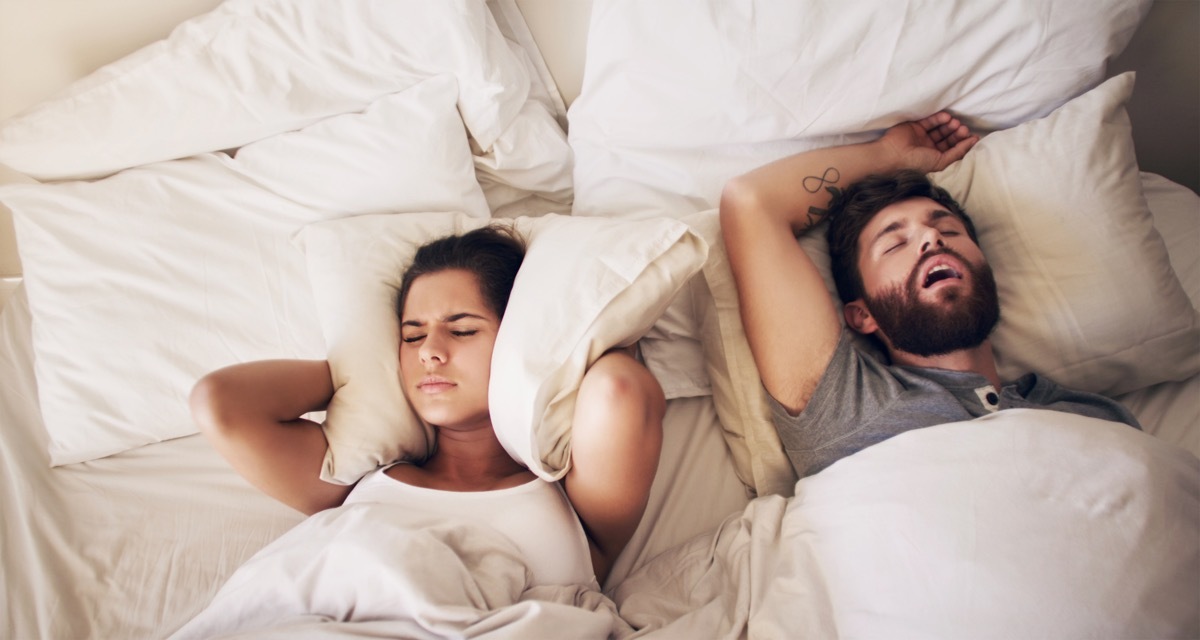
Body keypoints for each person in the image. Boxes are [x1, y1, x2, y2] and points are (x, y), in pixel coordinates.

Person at [189, 225, 665, 586]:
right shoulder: (347, 483)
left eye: (461, 330)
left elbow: (619, 390)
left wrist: (546, 358)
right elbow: (221, 403)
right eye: (411, 335)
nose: (427, 352)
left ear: (517, 339)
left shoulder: (577, 502)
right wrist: (359, 375)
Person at [719, 112, 1140, 479]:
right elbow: (751, 203)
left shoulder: (1090, 416)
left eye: (949, 229)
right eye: (894, 244)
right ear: (863, 314)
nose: (931, 237)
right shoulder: (846, 408)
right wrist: (887, 156)